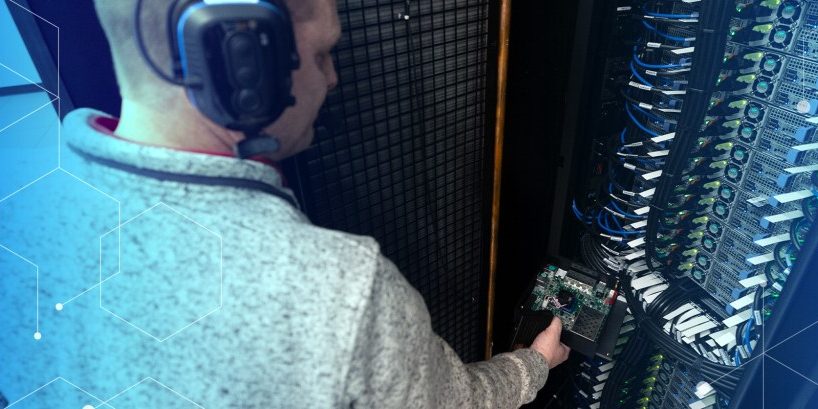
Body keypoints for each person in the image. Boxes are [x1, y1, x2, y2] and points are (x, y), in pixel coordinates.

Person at [0, 0, 569, 407]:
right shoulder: (338, 288)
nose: (334, 78)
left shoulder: (18, 219)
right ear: (238, 61)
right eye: (323, 54)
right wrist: (534, 363)